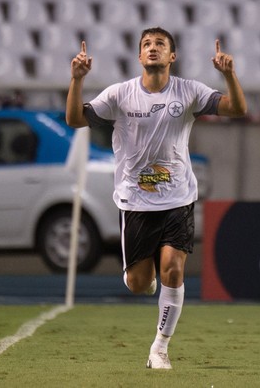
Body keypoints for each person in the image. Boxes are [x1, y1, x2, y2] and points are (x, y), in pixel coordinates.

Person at [66, 27, 247, 369]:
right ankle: (143, 278)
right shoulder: (120, 95)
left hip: (177, 199)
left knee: (173, 270)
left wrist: (229, 75)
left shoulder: (189, 92)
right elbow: (74, 119)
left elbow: (237, 109)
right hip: (135, 202)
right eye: (146, 44)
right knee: (138, 284)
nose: (152, 48)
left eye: (160, 44)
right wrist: (76, 80)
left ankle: (159, 349)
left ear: (172, 56)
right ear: (138, 56)